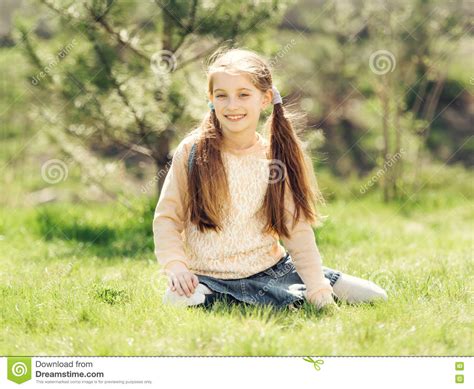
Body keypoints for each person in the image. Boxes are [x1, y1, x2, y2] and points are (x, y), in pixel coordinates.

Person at [153, 47, 387, 311]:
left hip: (271, 271)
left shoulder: (274, 156)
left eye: (243, 95)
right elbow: (167, 219)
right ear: (211, 99)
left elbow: (296, 229)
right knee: (176, 300)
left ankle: (272, 296)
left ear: (264, 99)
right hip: (207, 277)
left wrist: (318, 288)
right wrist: (176, 267)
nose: (232, 106)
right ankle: (228, 298)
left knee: (374, 295)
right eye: (222, 96)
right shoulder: (191, 151)